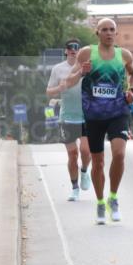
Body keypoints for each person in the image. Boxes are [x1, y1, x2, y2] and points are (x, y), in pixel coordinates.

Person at [64, 19, 133, 223]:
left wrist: (132, 91)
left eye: (112, 30)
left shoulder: (124, 55)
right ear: (97, 33)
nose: (108, 33)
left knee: (120, 154)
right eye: (104, 30)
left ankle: (113, 198)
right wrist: (81, 72)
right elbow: (69, 81)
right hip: (93, 115)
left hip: (118, 111)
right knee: (98, 162)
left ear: (116, 33)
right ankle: (99, 202)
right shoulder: (87, 53)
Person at [46, 39, 92, 201]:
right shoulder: (58, 69)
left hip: (86, 117)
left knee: (86, 151)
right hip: (66, 117)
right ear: (65, 51)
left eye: (76, 48)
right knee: (73, 154)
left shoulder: (87, 66)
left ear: (80, 51)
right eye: (70, 48)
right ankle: (74, 188)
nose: (73, 50)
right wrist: (60, 88)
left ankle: (85, 171)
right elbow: (49, 92)